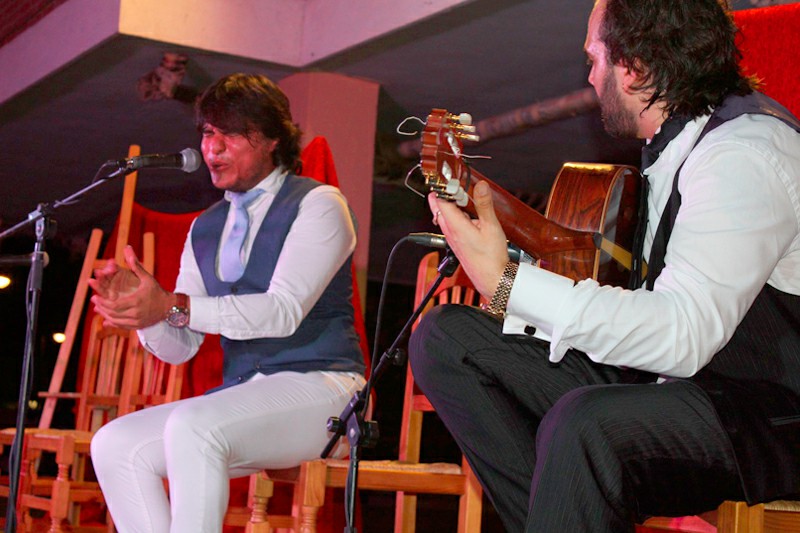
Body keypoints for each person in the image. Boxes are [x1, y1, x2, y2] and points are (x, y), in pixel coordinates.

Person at [409, 1, 800, 531]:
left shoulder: (743, 153)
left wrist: (506, 282)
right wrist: (512, 280)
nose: (590, 76)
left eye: (594, 58)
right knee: (446, 340)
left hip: (768, 417)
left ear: (635, 67)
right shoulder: (671, 153)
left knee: (585, 425)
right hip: (680, 388)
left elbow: (684, 335)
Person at [88, 73, 366, 533]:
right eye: (207, 133)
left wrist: (171, 304)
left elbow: (281, 312)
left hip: (327, 389)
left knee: (194, 425)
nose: (212, 148)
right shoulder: (206, 228)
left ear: (273, 138)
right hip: (248, 396)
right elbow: (182, 345)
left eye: (231, 133)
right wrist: (146, 313)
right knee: (114, 443)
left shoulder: (319, 204)